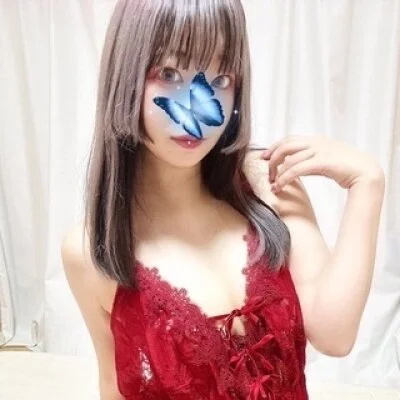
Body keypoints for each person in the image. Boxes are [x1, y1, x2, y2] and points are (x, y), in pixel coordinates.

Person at [61, 0, 385, 399]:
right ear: (126, 75)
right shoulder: (91, 250)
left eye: (220, 79)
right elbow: (115, 385)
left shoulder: (266, 183)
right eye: (169, 73)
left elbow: (335, 335)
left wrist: (368, 183)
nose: (199, 111)